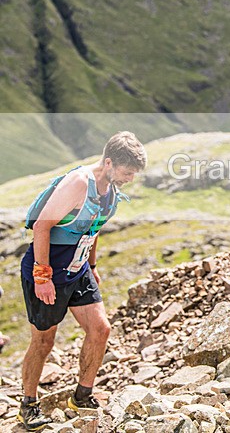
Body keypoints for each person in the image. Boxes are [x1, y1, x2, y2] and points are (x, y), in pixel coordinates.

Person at [17, 132, 147, 431]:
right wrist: (42, 277)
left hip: (78, 268)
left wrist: (92, 264)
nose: (129, 179)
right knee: (44, 340)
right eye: (127, 173)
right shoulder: (78, 183)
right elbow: (42, 226)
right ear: (110, 162)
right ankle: (28, 405)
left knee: (101, 329)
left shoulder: (110, 188)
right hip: (49, 268)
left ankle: (82, 396)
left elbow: (94, 225)